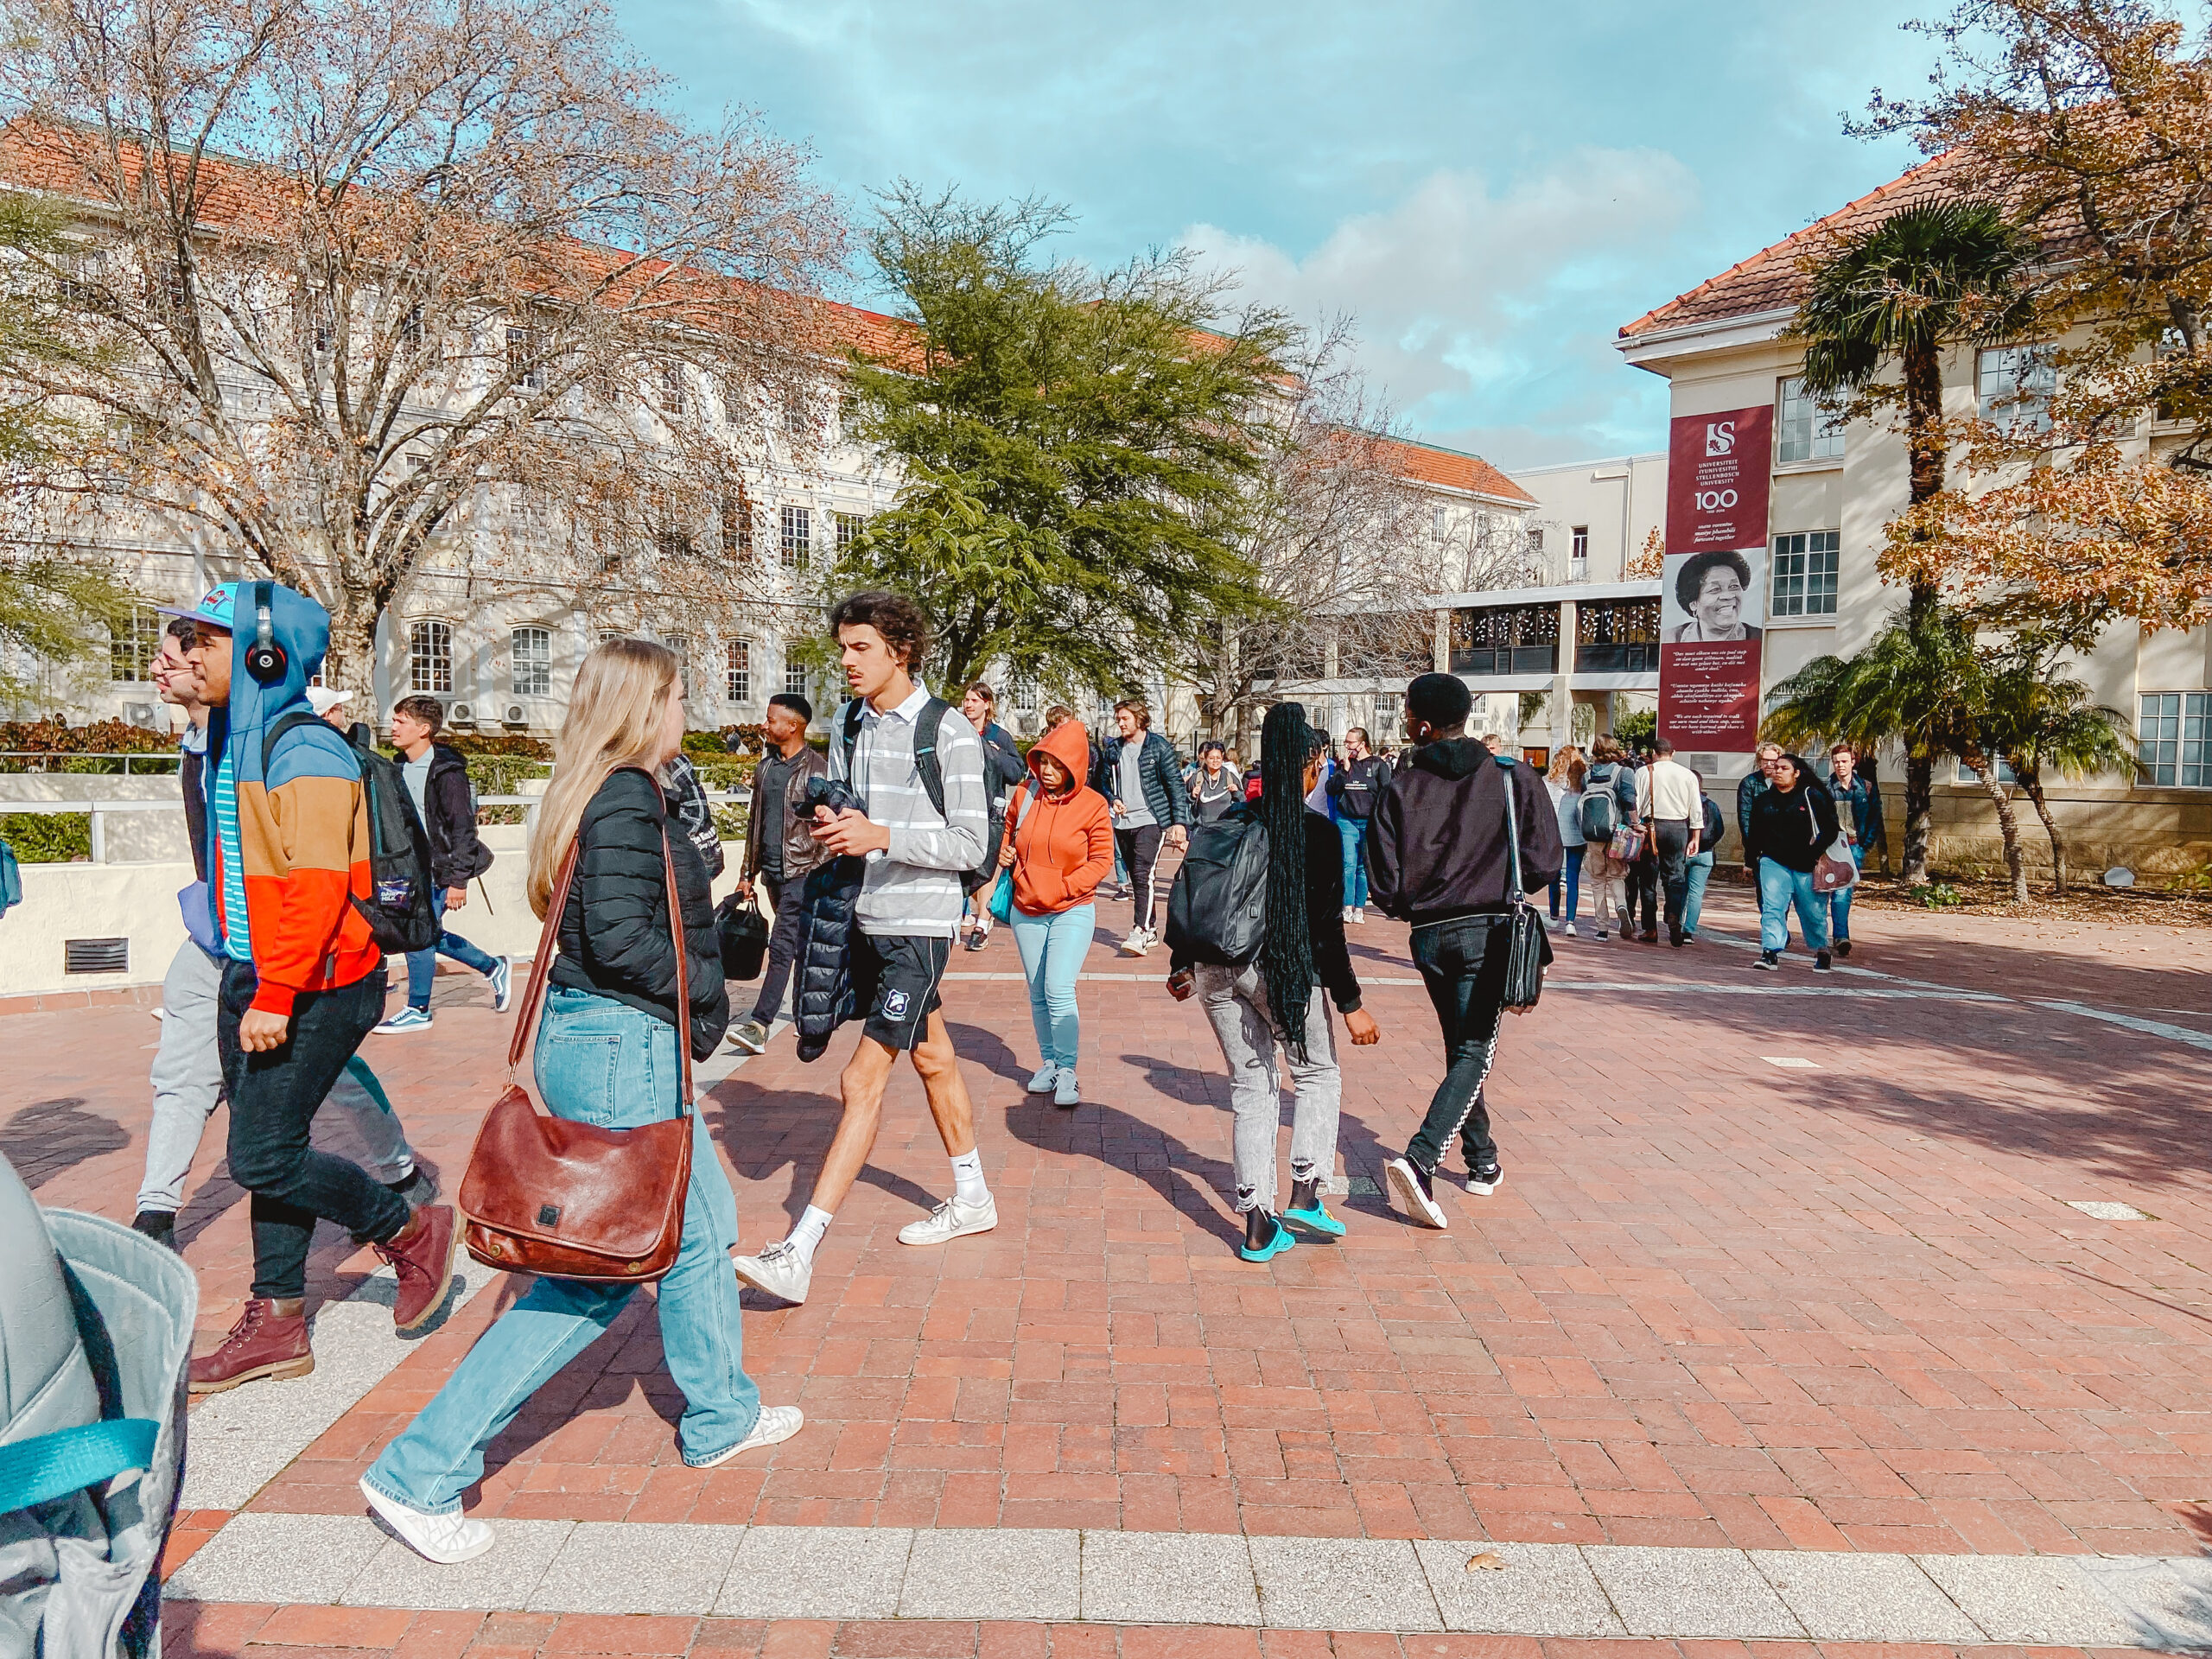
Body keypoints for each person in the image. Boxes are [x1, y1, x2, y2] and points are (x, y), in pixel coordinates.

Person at [361, 638, 796, 1566]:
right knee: (594, 1279)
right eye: (677, 696)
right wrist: (708, 1002)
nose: (686, 711)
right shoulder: (628, 797)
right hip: (625, 1043)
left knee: (699, 1229)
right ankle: (418, 1472)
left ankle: (721, 1415)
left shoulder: (606, 788)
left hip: (609, 1038)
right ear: (646, 705)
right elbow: (620, 935)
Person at [167, 582, 456, 1395]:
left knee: (260, 1154)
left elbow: (316, 888)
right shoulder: (238, 736)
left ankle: (409, 1227)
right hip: (254, 971)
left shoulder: (304, 751)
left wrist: (276, 993)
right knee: (276, 1147)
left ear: (264, 656)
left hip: (318, 982)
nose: (189, 654)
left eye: (206, 640)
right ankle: (281, 1319)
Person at [730, 591, 994, 1306]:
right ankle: (973, 1197)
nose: (846, 662)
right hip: (862, 916)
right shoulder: (850, 721)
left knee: (860, 1081)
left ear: (900, 650)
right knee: (934, 1058)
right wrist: (834, 819)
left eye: (861, 649)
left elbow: (974, 844)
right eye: (843, 648)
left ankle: (799, 1250)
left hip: (921, 926)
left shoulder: (950, 733)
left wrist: (882, 836)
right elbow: (854, 812)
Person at [130, 632, 430, 1250]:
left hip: (287, 951)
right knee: (193, 1085)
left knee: (291, 1121)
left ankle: (398, 1192)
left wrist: (277, 987)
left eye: (183, 652)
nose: (165, 664)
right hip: (218, 941)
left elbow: (315, 879)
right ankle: (158, 1215)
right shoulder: (210, 744)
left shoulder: (288, 744)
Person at [1171, 702, 1379, 1262]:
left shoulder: (1228, 821)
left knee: (1251, 1089)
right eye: (1322, 761)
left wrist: (1180, 963)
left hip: (1215, 969)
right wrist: (1351, 1003)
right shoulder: (1319, 833)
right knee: (1316, 1072)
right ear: (1312, 763)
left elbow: (1193, 892)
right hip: (1281, 970)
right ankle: (1307, 1190)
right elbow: (1327, 934)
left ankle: (1257, 1223)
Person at [1370, 674, 1560, 1226]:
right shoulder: (1510, 776)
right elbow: (1545, 858)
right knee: (1475, 1048)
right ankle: (1422, 1158)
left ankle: (1483, 1161)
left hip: (1429, 934)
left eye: (1407, 714)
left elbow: (1384, 879)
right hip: (1490, 928)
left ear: (1422, 724)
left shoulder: (1401, 786)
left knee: (1463, 1047)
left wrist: (1415, 901)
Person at [372, 695, 512, 1034]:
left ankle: (418, 1008)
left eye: (401, 721)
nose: (393, 727)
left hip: (440, 870)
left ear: (424, 729)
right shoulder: (396, 768)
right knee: (426, 934)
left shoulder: (448, 771)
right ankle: (493, 967)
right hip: (409, 870)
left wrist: (458, 881)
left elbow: (463, 828)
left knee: (417, 935)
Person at [996, 717, 1112, 1107]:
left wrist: (1063, 888)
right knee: (1037, 992)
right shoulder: (1025, 795)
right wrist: (1005, 852)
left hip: (1071, 909)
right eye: (1043, 761)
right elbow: (1008, 831)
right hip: (1025, 909)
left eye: (1057, 764)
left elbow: (1101, 861)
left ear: (1074, 767)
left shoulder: (1094, 805)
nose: (1046, 771)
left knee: (1058, 988)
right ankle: (1048, 1062)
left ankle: (1068, 1071)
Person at [726, 691, 826, 1054]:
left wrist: (818, 871)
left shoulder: (818, 769)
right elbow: (756, 823)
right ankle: (809, 1015)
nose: (764, 725)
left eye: (771, 720)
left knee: (782, 946)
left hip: (805, 872)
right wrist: (747, 874)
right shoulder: (765, 768)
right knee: (799, 946)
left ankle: (760, 1023)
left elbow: (827, 831)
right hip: (772, 874)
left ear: (793, 725)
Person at [1100, 698, 1192, 955]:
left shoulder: (1159, 747)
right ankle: (1150, 929)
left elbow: (1175, 785)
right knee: (1136, 876)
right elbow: (1103, 782)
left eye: (1125, 718)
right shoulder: (1113, 749)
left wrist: (1179, 823)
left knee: (1143, 874)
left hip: (1152, 820)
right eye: (1118, 719)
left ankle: (1139, 930)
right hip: (1122, 822)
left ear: (1139, 719)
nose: (1120, 723)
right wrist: (1112, 798)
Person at [1745, 752, 1839, 971]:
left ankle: (1821, 950)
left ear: (1796, 773)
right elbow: (1755, 833)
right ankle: (1770, 952)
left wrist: (1815, 852)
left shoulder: (1811, 796)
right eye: (1776, 767)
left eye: (1784, 768)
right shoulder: (1763, 800)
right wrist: (1750, 861)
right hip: (1773, 862)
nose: (1777, 771)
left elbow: (1831, 829)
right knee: (1772, 907)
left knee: (1812, 911)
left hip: (1807, 864)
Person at [958, 681, 1028, 951]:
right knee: (965, 867)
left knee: (986, 869)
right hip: (959, 810)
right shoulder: (956, 731)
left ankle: (981, 925)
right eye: (966, 700)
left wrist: (995, 755)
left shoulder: (999, 736)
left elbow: (1015, 773)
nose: (968, 705)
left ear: (986, 704)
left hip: (991, 811)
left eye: (974, 700)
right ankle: (964, 913)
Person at [1637, 736, 1703, 947]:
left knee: (1648, 880)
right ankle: (1673, 914)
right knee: (1675, 877)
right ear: (1673, 753)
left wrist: (1636, 825)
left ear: (1653, 754)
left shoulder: (1644, 772)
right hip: (1679, 828)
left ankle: (1650, 928)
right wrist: (1695, 837)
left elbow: (1635, 803)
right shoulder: (1688, 775)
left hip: (1651, 827)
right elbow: (1696, 808)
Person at [1325, 727, 1390, 925]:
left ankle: (1359, 908)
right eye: (1345, 742)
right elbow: (1331, 789)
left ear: (1362, 744)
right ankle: (1347, 907)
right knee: (1348, 865)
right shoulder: (1344, 765)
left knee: (1363, 867)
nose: (1347, 746)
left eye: (1350, 743)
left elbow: (1386, 793)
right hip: (1347, 820)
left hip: (1368, 821)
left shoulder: (1379, 765)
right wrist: (1343, 772)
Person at [1823, 742, 1880, 957]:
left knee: (1842, 891)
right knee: (1823, 892)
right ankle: (1823, 936)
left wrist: (1866, 843)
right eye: (1837, 762)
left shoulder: (1865, 788)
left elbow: (1875, 816)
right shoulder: (1825, 789)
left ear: (1853, 763)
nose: (1840, 766)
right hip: (1830, 847)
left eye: (1845, 761)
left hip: (1855, 846)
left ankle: (1841, 937)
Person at [1582, 736, 1638, 941]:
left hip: (1593, 834)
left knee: (1597, 881)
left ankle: (1602, 929)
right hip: (1617, 833)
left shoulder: (1587, 775)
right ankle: (1621, 906)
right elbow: (1628, 798)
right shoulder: (1623, 773)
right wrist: (1635, 822)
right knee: (1616, 876)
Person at [1663, 550, 1763, 643]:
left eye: (1733, 586)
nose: (1728, 596)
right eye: (1715, 589)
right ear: (1693, 603)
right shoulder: (1671, 638)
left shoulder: (1759, 638)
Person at [1680, 771, 1726, 943]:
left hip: (1682, 852)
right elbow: (1720, 829)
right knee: (1696, 893)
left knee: (1679, 889)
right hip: (1705, 853)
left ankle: (1676, 923)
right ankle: (1688, 931)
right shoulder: (1712, 805)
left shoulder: (1680, 803)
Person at [1546, 746, 1586, 936]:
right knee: (1573, 878)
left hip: (1554, 835)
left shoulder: (1549, 782)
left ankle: (1554, 917)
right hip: (1576, 835)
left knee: (1553, 877)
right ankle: (1570, 921)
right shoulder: (1581, 784)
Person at [1189, 740, 1243, 823]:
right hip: (1202, 831)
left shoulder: (1230, 777)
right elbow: (1181, 801)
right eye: (1211, 758)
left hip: (1225, 831)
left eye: (1218, 758)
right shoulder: (1197, 777)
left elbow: (1243, 802)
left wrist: (1236, 792)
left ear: (1222, 758)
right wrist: (1192, 796)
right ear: (1206, 759)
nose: (1215, 761)